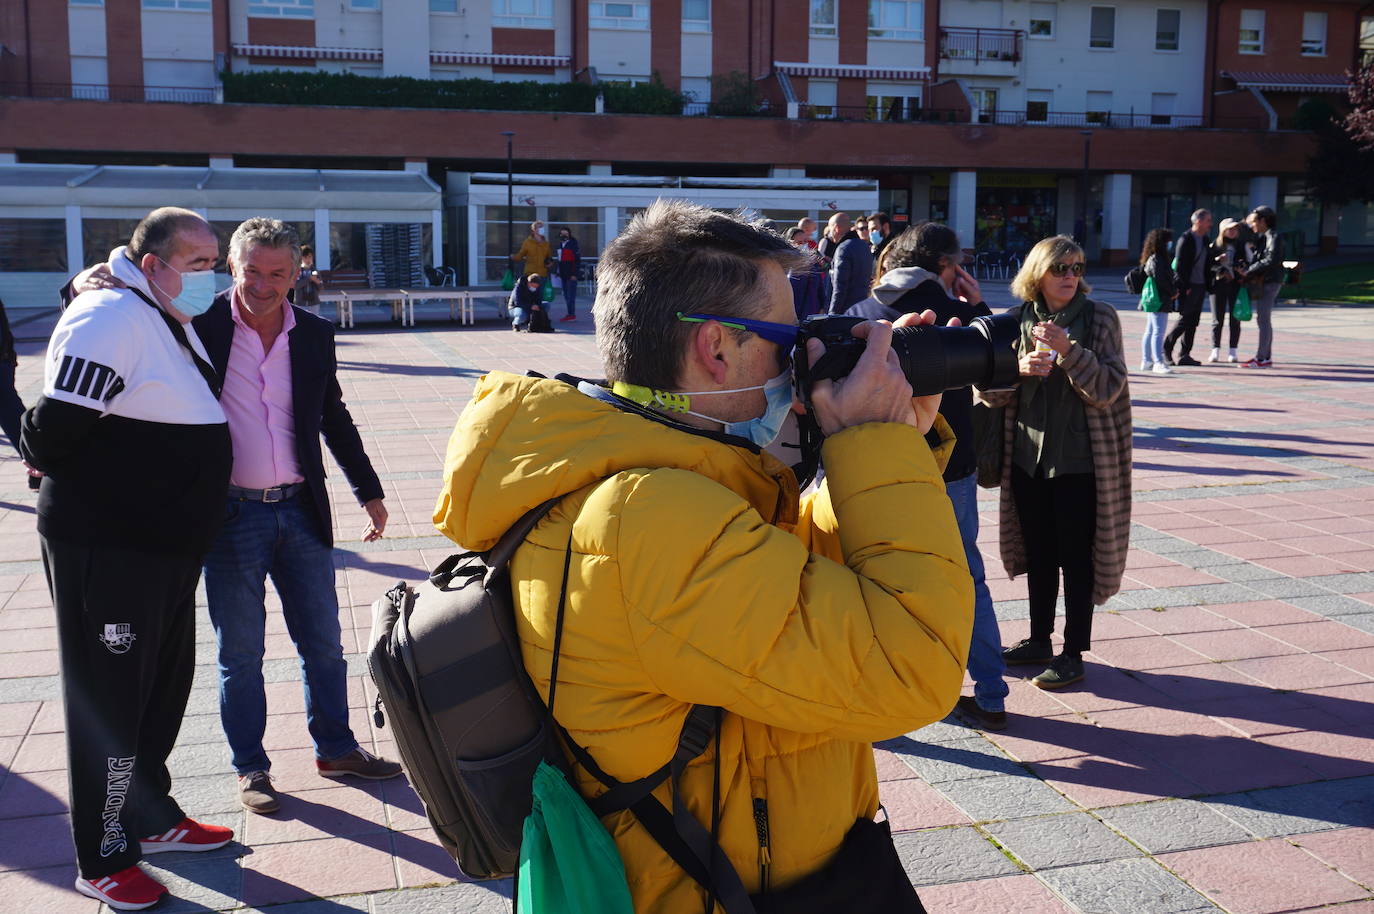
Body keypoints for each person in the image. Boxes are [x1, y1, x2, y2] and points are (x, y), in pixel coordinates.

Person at [433, 199, 972, 911]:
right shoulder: (647, 517)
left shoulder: (648, 475)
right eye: (787, 339)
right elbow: (912, 667)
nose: (800, 358)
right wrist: (873, 443)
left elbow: (793, 593)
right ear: (717, 348)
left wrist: (896, 439)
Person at [67, 218, 402, 818]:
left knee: (324, 645)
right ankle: (252, 767)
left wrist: (369, 491)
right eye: (252, 271)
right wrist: (84, 283)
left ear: (298, 272)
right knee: (240, 655)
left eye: (278, 274)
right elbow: (128, 306)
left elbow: (333, 417)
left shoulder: (316, 334)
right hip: (228, 517)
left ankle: (337, 748)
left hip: (300, 510)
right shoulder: (199, 324)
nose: (264, 285)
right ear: (232, 267)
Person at [21, 207, 236, 910]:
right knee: (111, 701)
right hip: (109, 551)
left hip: (162, 551)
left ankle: (149, 814)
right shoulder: (109, 317)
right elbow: (51, 435)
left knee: (158, 692)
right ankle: (103, 852)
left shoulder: (157, 308)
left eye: (214, 262)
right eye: (201, 264)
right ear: (154, 264)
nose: (215, 277)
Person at [846, 223, 1008, 730]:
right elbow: (1000, 368)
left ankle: (887, 688)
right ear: (950, 267)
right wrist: (978, 308)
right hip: (950, 462)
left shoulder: (861, 312)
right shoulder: (959, 316)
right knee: (967, 577)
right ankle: (990, 691)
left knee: (876, 578)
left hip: (876, 467)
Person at [980, 235, 1132, 691]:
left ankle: (1073, 652)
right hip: (1027, 458)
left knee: (1077, 558)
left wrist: (1070, 351)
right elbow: (987, 394)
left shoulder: (1099, 317)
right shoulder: (1014, 321)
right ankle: (1039, 639)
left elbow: (1109, 389)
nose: (1070, 277)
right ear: (1038, 274)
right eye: (1061, 269)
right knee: (1039, 553)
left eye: (1078, 269)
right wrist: (1016, 370)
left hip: (1082, 462)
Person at [1163, 208, 1213, 367]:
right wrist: (1184, 287)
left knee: (1193, 321)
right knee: (1184, 319)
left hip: (1201, 285)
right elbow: (1180, 266)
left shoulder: (1205, 239)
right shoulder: (1186, 239)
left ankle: (1185, 354)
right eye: (1208, 221)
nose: (1210, 224)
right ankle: (1166, 348)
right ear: (1198, 221)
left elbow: (1207, 262)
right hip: (1189, 286)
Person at [1241, 206, 1282, 368]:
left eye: (1254, 221)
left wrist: (1249, 270)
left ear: (1263, 221)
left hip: (1270, 281)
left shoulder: (1273, 236)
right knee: (1264, 319)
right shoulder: (1265, 236)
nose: (1252, 225)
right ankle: (1265, 357)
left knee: (1263, 319)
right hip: (1266, 280)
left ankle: (1262, 358)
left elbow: (1270, 259)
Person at [1139, 228, 1177, 374]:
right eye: (1168, 241)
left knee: (1150, 330)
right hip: (1159, 299)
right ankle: (1158, 362)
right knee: (1158, 331)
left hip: (1153, 299)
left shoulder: (1153, 258)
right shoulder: (1158, 259)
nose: (1170, 243)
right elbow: (1162, 280)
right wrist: (1172, 292)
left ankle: (1146, 360)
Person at [1209, 217, 1246, 363]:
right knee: (1217, 319)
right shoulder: (1215, 245)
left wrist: (1240, 267)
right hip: (1218, 285)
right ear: (1223, 230)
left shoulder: (1240, 245)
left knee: (1235, 318)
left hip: (1235, 284)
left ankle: (1233, 351)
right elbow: (1208, 265)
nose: (1232, 231)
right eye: (1229, 229)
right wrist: (1219, 265)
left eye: (1235, 229)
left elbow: (1246, 262)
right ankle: (1215, 350)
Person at [828, 212, 874, 313]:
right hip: (863, 308)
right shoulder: (864, 246)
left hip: (846, 311)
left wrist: (832, 314)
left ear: (836, 228)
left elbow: (840, 286)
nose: (830, 234)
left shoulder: (843, 248)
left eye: (830, 230)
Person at [786, 226, 829, 319]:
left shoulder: (813, 264)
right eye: (800, 242)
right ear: (790, 243)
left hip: (813, 314)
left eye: (805, 241)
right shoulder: (784, 265)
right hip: (792, 315)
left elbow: (821, 289)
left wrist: (823, 307)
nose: (804, 245)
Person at [553, 226, 582, 322]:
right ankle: (569, 313)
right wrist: (558, 271)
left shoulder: (573, 244)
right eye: (562, 234)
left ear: (569, 234)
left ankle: (571, 314)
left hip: (571, 275)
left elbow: (577, 261)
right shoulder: (560, 245)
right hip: (563, 275)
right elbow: (560, 260)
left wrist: (574, 274)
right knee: (566, 295)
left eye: (566, 234)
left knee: (570, 296)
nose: (564, 236)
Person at [293, 244, 322, 316]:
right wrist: (309, 279)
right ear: (301, 258)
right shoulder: (298, 271)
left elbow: (321, 287)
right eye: (305, 257)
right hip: (300, 303)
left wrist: (317, 282)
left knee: (314, 323)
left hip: (313, 303)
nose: (308, 260)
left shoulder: (315, 270)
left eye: (310, 257)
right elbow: (296, 286)